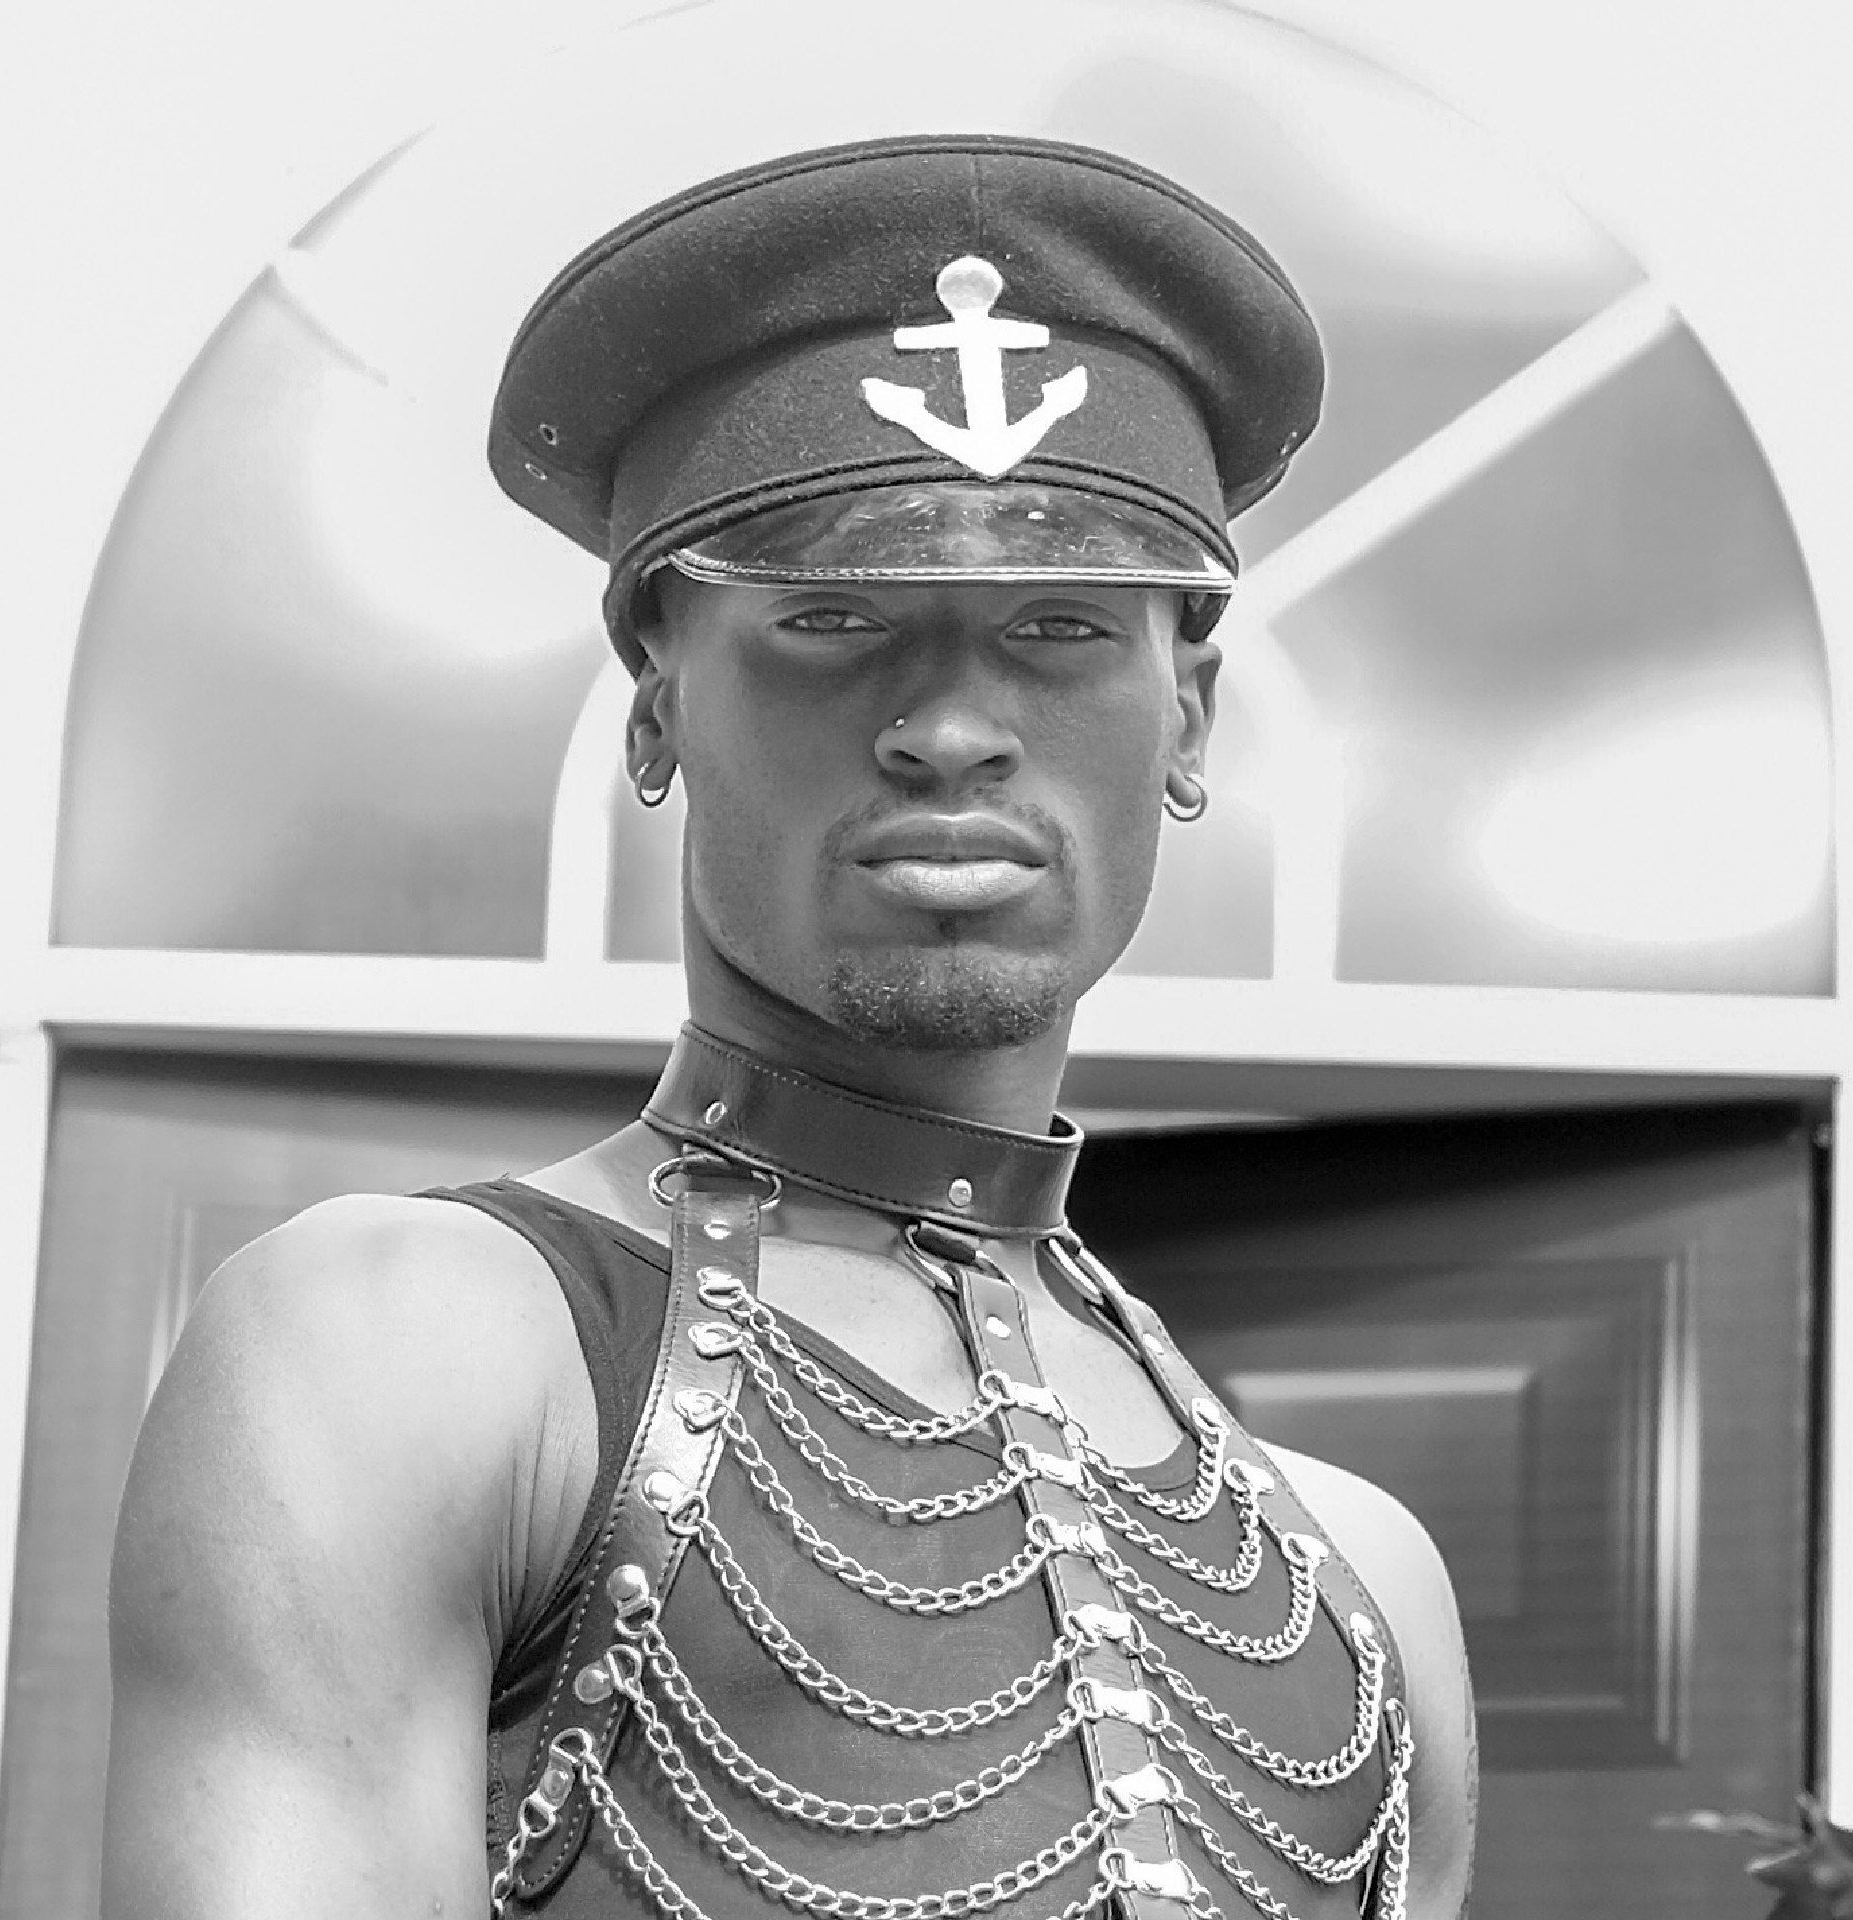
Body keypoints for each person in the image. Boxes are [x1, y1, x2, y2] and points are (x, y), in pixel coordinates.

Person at [102, 134, 1475, 1920]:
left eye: (1060, 625)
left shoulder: (1365, 1593)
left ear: (1191, 718)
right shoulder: (411, 1354)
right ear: (655, 706)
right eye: (831, 619)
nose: (951, 728)